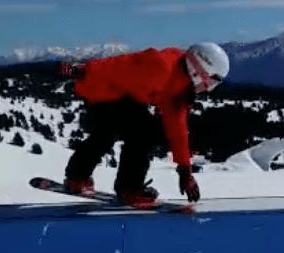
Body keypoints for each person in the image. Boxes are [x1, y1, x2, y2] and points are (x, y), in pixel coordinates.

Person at [57, 42, 229, 209]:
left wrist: (185, 171)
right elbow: (117, 66)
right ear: (198, 70)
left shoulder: (180, 88)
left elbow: (178, 129)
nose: (207, 89)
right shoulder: (161, 66)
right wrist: (82, 70)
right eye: (210, 82)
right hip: (101, 90)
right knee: (135, 132)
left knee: (116, 134)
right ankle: (127, 187)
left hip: (126, 99)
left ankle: (80, 178)